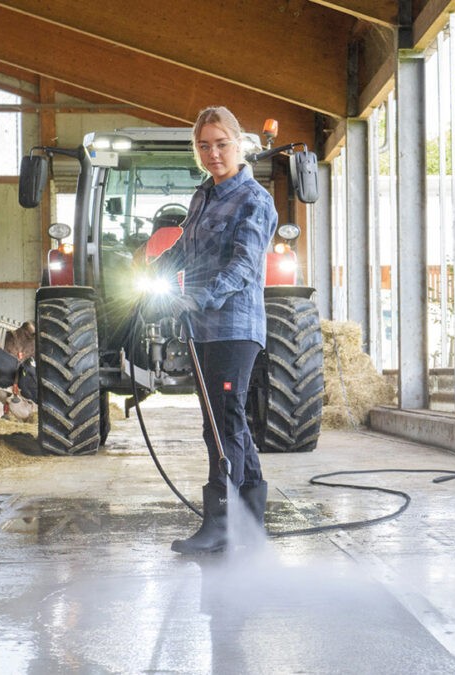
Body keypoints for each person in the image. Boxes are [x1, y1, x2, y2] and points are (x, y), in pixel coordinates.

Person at [167, 106, 278, 554]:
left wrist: (202, 296)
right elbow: (184, 247)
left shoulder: (254, 199)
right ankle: (250, 519)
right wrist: (151, 270)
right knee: (222, 420)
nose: (213, 153)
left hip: (235, 325)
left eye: (221, 144)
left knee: (222, 419)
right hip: (201, 326)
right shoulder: (203, 197)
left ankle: (221, 523)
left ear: (239, 144)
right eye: (204, 145)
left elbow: (244, 266)